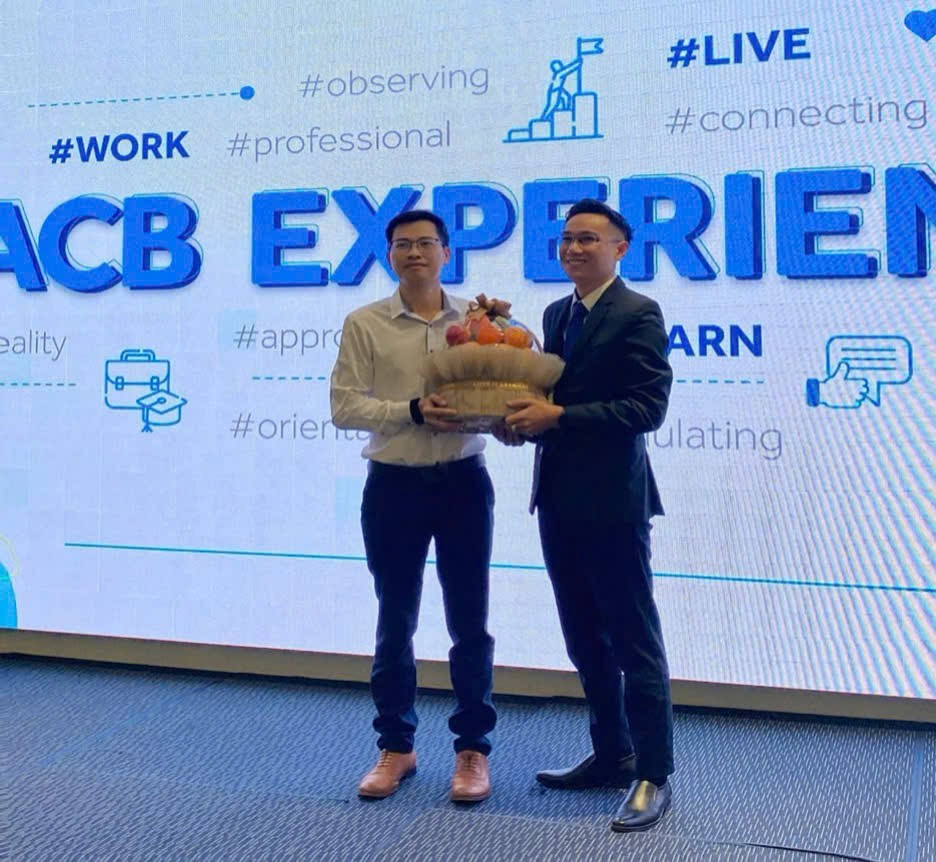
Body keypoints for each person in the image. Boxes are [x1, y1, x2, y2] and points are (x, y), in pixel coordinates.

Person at [504, 198, 675, 832]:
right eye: (568, 238)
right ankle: (611, 754)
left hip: (614, 504)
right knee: (583, 640)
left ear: (620, 249)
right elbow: (551, 398)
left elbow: (646, 409)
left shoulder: (638, 312)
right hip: (556, 499)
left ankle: (652, 774)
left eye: (589, 239)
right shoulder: (557, 313)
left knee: (634, 642)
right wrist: (515, 422)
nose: (574, 248)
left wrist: (559, 418)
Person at [330, 209, 496, 804]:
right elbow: (344, 406)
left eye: (426, 243)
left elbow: (508, 388)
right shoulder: (365, 323)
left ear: (447, 253)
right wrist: (413, 411)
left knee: (469, 622)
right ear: (389, 255)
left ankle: (472, 749)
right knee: (395, 620)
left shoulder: (481, 321)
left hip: (463, 484)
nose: (415, 253)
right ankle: (396, 746)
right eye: (403, 244)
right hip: (393, 485)